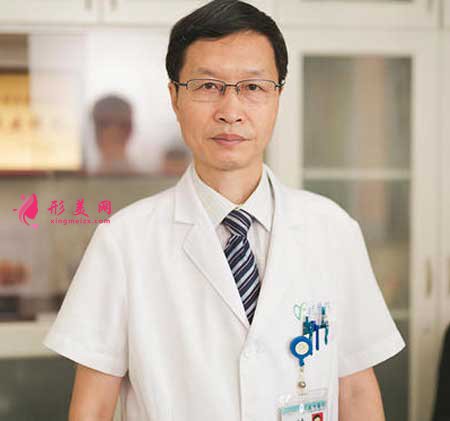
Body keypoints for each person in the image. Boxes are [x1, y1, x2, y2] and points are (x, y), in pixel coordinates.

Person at [43, 1, 405, 420]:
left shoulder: (333, 230)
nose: (230, 111)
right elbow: (92, 407)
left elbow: (356, 392)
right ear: (175, 98)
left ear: (277, 97)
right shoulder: (124, 241)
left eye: (253, 87)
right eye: (208, 86)